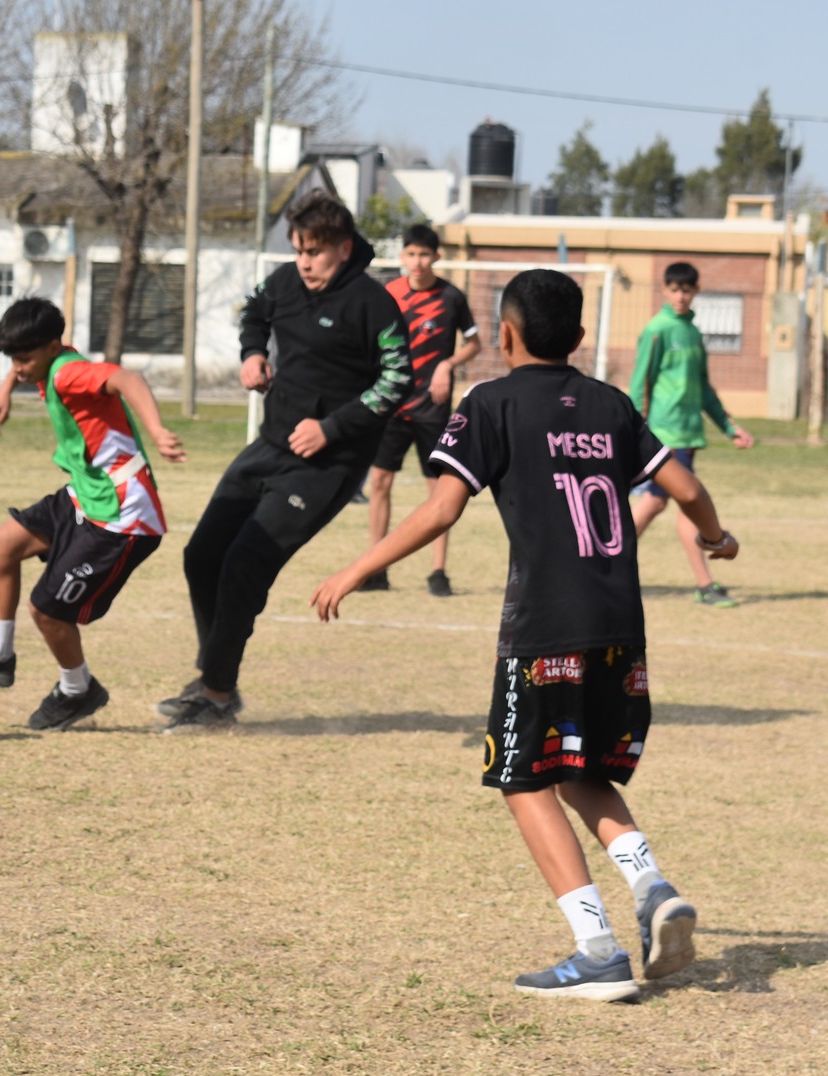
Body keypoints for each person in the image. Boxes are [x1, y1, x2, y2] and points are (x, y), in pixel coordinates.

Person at [310, 269, 741, 1000]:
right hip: (618, 628)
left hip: (545, 628)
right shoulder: (609, 404)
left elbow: (442, 508)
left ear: (504, 336)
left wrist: (357, 567)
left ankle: (597, 950)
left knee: (522, 778)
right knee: (578, 769)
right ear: (578, 337)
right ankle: (652, 887)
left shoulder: (491, 403)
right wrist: (717, 538)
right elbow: (688, 489)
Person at [158, 192, 413, 729]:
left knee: (245, 564)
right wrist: (252, 353)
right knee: (202, 555)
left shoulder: (373, 303)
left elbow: (397, 380)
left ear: (343, 249)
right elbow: (253, 311)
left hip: (327, 465)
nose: (304, 262)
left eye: (314, 252)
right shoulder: (284, 283)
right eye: (298, 250)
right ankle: (214, 675)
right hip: (269, 446)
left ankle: (217, 695)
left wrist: (331, 428)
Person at [0, 298, 185, 731]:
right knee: (2, 546)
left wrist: (158, 430)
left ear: (52, 346)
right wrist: (5, 390)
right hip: (86, 494)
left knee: (47, 611)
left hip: (122, 516)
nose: (18, 368)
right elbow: (23, 363)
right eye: (12, 359)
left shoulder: (70, 373)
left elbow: (128, 379)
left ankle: (77, 690)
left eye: (24, 360)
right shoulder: (48, 361)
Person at [362, 222, 481, 596]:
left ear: (437, 256)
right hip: (392, 405)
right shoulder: (389, 293)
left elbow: (474, 343)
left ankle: (438, 572)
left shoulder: (452, 297)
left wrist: (447, 364)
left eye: (424, 254)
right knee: (379, 482)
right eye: (411, 254)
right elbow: (371, 340)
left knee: (439, 490)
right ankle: (375, 569)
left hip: (433, 409)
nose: (417, 261)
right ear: (402, 256)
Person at [629, 261, 754, 607]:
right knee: (681, 503)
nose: (681, 296)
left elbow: (703, 388)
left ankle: (600, 565)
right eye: (674, 290)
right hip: (665, 432)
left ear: (696, 291)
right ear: (665, 290)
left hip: (687, 434)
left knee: (661, 502)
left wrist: (728, 427)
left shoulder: (694, 333)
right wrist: (635, 427)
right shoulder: (657, 329)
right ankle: (704, 584)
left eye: (686, 290)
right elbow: (640, 382)